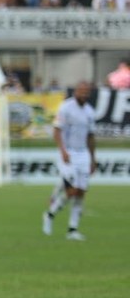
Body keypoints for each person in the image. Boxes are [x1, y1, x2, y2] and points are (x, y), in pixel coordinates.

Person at [42, 81, 96, 241]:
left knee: (80, 193)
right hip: (68, 153)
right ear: (76, 92)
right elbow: (57, 131)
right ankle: (49, 215)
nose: (84, 94)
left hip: (83, 154)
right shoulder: (66, 107)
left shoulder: (90, 112)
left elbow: (91, 136)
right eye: (82, 91)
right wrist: (63, 151)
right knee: (71, 191)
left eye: (87, 92)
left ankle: (72, 229)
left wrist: (93, 158)